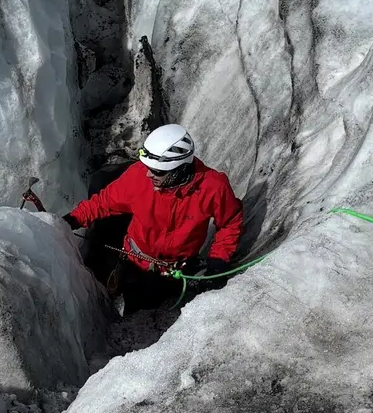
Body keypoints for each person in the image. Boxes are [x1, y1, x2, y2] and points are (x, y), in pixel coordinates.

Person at [66, 125, 244, 315]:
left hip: (178, 270)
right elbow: (104, 202)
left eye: (158, 171)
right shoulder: (138, 176)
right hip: (136, 264)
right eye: (149, 168)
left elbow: (230, 221)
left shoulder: (213, 187)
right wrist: (72, 219)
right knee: (136, 309)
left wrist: (219, 258)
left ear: (179, 170)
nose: (149, 174)